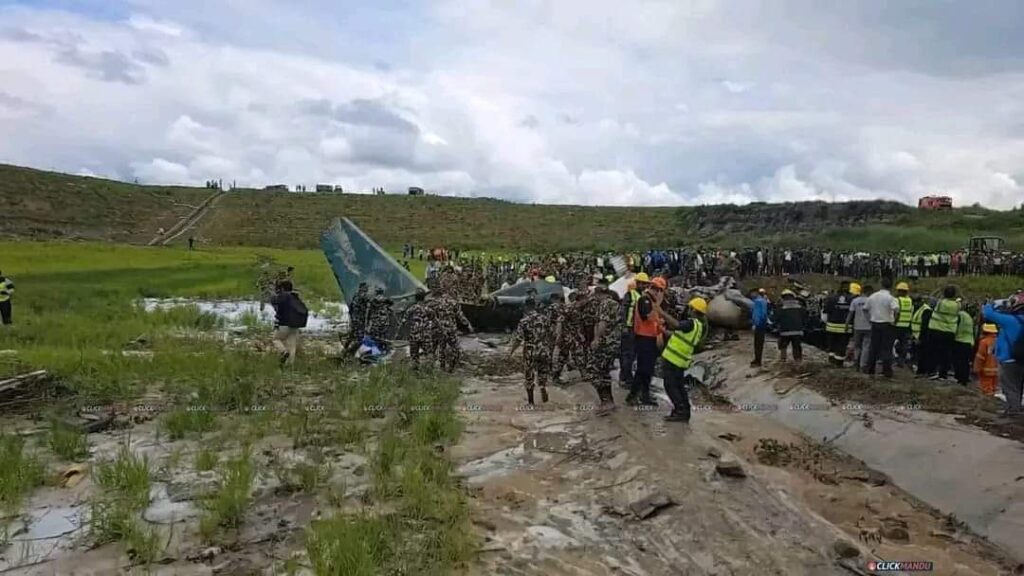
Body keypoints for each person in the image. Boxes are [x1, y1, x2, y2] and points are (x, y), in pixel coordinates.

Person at [656, 297, 707, 422]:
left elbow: (676, 325)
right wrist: (664, 331)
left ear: (694, 310)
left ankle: (680, 410)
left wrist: (662, 313)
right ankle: (685, 411)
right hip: (681, 361)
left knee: (670, 386)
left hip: (673, 359)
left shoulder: (690, 323)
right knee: (679, 386)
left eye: (690, 308)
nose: (688, 310)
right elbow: (677, 335)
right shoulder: (698, 326)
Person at [982, 296, 1024, 416]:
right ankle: (1016, 409)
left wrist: (997, 302)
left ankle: (1013, 412)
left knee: (1010, 387)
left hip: (1009, 359)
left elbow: (988, 313)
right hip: (1022, 360)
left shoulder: (1010, 320)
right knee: (1018, 388)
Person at [627, 277, 665, 406]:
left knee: (647, 370)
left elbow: (654, 321)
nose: (658, 293)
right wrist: (658, 305)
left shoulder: (650, 301)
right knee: (643, 369)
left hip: (650, 338)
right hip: (644, 338)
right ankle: (632, 396)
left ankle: (645, 395)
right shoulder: (645, 300)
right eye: (658, 290)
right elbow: (648, 317)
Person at [508, 300, 554, 405]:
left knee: (529, 375)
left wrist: (512, 351)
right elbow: (551, 334)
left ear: (526, 307)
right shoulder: (544, 319)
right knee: (543, 371)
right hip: (543, 349)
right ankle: (542, 386)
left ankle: (531, 402)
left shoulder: (524, 321)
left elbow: (519, 338)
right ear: (534, 307)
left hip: (530, 350)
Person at [586, 279, 622, 411]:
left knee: (593, 370)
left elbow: (603, 323)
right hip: (612, 342)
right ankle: (609, 401)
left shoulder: (605, 304)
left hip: (606, 342)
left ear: (598, 293)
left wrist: (596, 339)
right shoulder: (613, 303)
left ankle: (606, 400)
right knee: (604, 372)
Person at [864, 277, 899, 378]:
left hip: (875, 324)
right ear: (891, 286)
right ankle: (887, 371)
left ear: (881, 285)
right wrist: (894, 322)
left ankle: (870, 369)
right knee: (887, 348)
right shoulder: (891, 298)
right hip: (887, 325)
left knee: (873, 347)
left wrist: (869, 319)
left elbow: (865, 309)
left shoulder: (873, 296)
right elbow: (896, 310)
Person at [619, 273, 649, 388]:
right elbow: (623, 311)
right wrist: (624, 327)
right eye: (642, 283)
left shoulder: (642, 296)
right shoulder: (630, 294)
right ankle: (625, 378)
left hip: (637, 329)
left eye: (645, 284)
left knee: (632, 354)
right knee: (627, 354)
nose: (643, 285)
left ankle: (627, 376)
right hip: (629, 328)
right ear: (637, 283)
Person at [928, 286, 961, 381]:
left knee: (933, 352)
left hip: (936, 329)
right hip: (949, 332)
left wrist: (938, 289)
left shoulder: (940, 302)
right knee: (946, 354)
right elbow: (962, 299)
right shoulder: (957, 305)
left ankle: (932, 371)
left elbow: (931, 297)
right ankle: (943, 374)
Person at [269, 281, 306, 365]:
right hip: (295, 325)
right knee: (292, 345)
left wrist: (272, 293)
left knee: (276, 339)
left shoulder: (284, 296)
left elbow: (274, 301)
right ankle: (289, 365)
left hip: (284, 324)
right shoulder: (295, 297)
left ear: (282, 288)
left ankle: (283, 352)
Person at [402, 290, 438, 370]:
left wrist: (408, 329)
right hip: (426, 335)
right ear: (424, 298)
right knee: (428, 353)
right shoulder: (428, 309)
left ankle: (415, 370)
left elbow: (404, 321)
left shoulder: (411, 309)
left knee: (414, 355)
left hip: (414, 335)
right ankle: (430, 369)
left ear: (415, 298)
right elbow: (435, 320)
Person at [823, 281, 854, 366]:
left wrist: (826, 323)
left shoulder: (831, 298)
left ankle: (831, 362)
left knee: (832, 346)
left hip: (831, 327)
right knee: (841, 347)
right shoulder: (852, 298)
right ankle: (839, 364)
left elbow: (825, 313)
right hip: (845, 328)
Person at [774, 290, 806, 363]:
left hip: (785, 331)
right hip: (798, 330)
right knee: (797, 346)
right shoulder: (800, 306)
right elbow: (805, 316)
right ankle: (798, 361)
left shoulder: (781, 306)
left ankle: (783, 360)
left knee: (783, 346)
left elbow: (776, 317)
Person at [846, 284, 872, 371]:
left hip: (857, 326)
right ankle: (862, 365)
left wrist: (847, 324)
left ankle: (856, 362)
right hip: (869, 327)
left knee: (857, 346)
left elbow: (850, 314)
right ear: (869, 292)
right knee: (866, 346)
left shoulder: (855, 301)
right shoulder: (871, 301)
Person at [973, 324, 1000, 396]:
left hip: (985, 369)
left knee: (986, 388)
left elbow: (980, 356)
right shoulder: (999, 341)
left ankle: (988, 400)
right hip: (997, 369)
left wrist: (977, 367)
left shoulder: (984, 342)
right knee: (994, 387)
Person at [953, 304, 976, 386]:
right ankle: (964, 379)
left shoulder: (959, 315)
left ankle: (959, 378)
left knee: (958, 361)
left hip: (960, 340)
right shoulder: (968, 317)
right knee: (965, 362)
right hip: (969, 342)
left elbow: (955, 326)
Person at [893, 282, 914, 367]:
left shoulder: (897, 300)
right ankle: (902, 360)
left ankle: (895, 359)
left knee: (892, 343)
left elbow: (896, 313)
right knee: (904, 344)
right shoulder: (909, 300)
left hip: (897, 325)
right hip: (906, 325)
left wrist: (894, 322)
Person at [911, 298, 934, 377]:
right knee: (917, 353)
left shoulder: (926, 310)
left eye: (917, 302)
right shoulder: (917, 308)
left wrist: (920, 338)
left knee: (922, 354)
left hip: (922, 336)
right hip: (916, 335)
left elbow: (924, 326)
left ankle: (922, 371)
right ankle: (919, 369)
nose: (915, 304)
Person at [750, 288, 769, 367]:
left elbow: (757, 314)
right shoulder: (764, 301)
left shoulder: (758, 301)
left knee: (757, 343)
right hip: (763, 324)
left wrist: (755, 324)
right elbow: (764, 314)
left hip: (759, 325)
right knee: (760, 343)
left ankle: (757, 360)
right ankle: (758, 360)